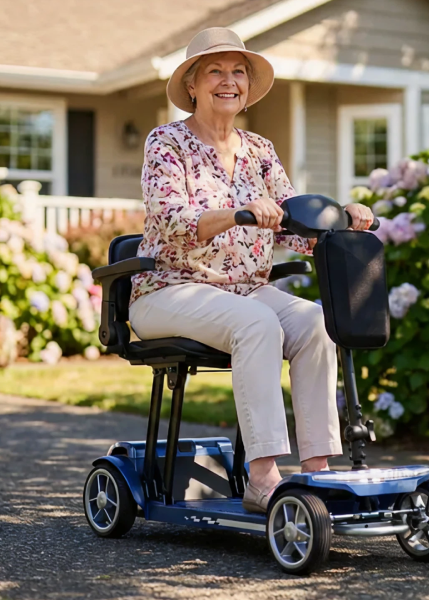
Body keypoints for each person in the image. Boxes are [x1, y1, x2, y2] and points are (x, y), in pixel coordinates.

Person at [128, 28, 375, 513]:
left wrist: (342, 219)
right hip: (169, 289)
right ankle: (262, 479)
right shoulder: (167, 142)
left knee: (316, 323)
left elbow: (294, 226)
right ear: (192, 84)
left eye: (238, 71)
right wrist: (238, 213)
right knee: (257, 324)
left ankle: (318, 471)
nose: (229, 81)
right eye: (215, 71)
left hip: (246, 290)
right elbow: (171, 219)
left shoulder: (260, 150)